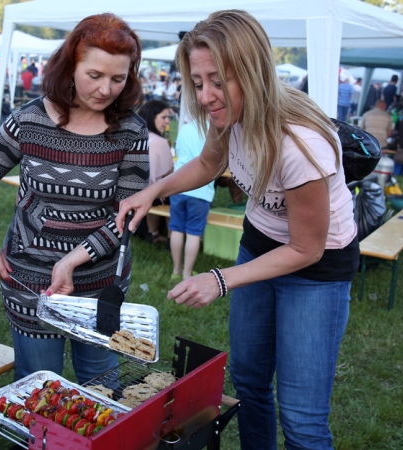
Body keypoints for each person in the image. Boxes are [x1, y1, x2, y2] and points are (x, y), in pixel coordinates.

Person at [117, 11, 358, 449]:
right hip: (260, 241)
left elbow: (306, 248)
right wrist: (155, 191)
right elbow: (209, 163)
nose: (206, 95)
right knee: (248, 385)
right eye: (197, 81)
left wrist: (220, 279)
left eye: (218, 80)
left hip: (315, 267)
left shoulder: (300, 144)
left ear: (252, 71)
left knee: (302, 420)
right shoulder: (227, 115)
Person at [0, 13, 148, 384]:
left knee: (101, 385)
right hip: (30, 283)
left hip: (99, 286)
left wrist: (71, 260)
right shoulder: (29, 120)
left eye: (118, 78)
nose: (106, 89)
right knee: (39, 382)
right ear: (69, 67)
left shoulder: (132, 131)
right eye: (94, 75)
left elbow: (125, 219)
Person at [169, 121, 214, 280]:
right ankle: (186, 273)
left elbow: (179, 151)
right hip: (202, 187)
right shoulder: (214, 128)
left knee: (177, 228)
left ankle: (176, 270)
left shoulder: (185, 127)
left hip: (179, 183)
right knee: (193, 232)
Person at [137, 100, 173, 244]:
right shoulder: (160, 141)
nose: (167, 122)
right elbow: (168, 174)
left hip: (135, 192)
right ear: (153, 117)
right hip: (152, 195)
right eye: (163, 117)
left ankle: (153, 233)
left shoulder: (137, 136)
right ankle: (173, 237)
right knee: (177, 191)